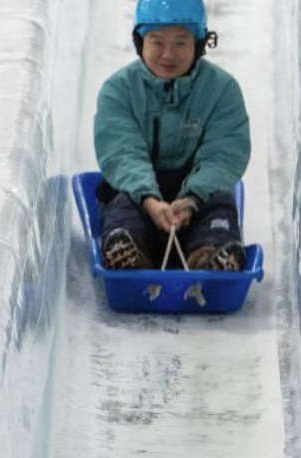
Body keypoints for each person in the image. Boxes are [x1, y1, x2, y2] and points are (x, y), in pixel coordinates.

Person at [95, 0, 250, 271]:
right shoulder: (118, 90)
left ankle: (213, 254)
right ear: (140, 42)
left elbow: (222, 155)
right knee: (122, 203)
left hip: (197, 198)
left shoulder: (222, 90)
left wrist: (192, 199)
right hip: (140, 196)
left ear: (199, 44)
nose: (168, 54)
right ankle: (128, 251)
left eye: (181, 43)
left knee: (220, 205)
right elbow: (122, 152)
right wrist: (149, 200)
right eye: (157, 42)